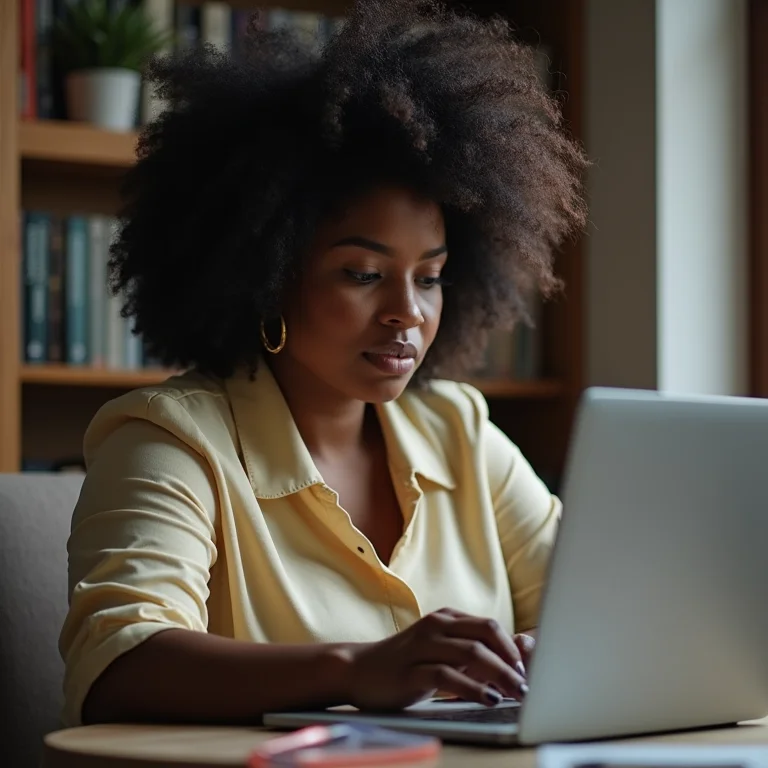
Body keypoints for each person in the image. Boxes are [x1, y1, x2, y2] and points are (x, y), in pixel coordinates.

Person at [59, 0, 587, 727]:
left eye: (429, 276)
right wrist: (357, 668)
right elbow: (119, 664)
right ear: (266, 274)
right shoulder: (171, 442)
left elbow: (596, 609)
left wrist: (551, 652)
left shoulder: (460, 433)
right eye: (363, 274)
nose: (409, 311)